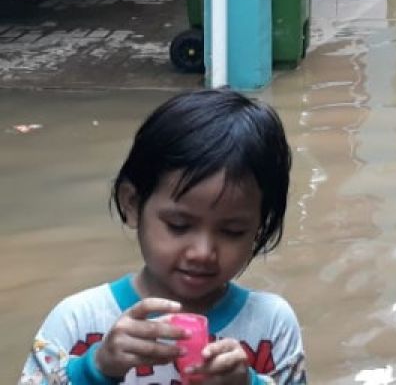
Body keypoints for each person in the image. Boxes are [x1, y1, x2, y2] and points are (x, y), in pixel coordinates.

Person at [20, 90, 307, 384]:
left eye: (232, 231)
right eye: (179, 225)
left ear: (259, 226)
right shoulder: (79, 322)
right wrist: (93, 370)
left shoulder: (270, 324)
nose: (202, 252)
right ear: (132, 204)